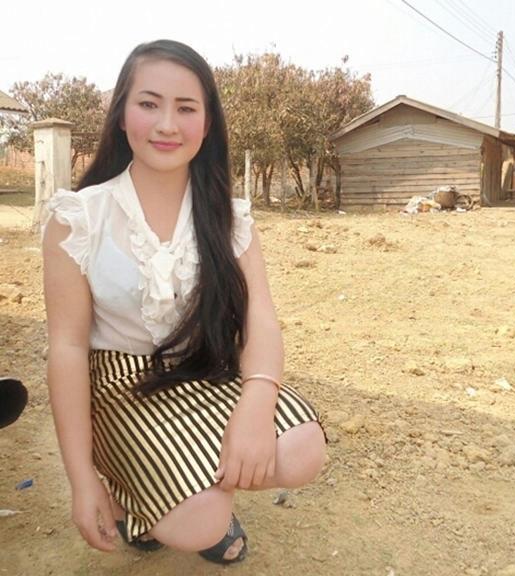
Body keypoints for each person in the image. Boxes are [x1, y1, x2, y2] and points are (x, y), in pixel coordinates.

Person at [42, 39, 326, 564]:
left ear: (208, 122)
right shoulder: (79, 218)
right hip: (120, 387)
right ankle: (139, 494)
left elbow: (261, 319)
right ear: (122, 114)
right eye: (149, 104)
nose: (167, 125)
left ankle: (181, 486)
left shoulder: (229, 218)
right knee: (199, 523)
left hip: (200, 370)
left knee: (303, 450)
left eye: (186, 108)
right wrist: (81, 479)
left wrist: (255, 406)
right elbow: (67, 348)